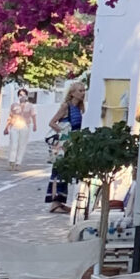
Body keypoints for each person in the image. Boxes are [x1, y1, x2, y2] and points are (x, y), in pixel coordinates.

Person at [44, 82, 86, 210]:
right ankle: (55, 201)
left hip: (72, 144)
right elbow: (52, 122)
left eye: (83, 90)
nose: (83, 93)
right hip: (64, 144)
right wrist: (64, 133)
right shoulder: (66, 106)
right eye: (80, 90)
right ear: (72, 93)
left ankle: (60, 201)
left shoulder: (79, 108)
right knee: (58, 170)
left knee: (66, 171)